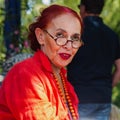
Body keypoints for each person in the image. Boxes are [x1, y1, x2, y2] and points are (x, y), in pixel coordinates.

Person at [0, 4, 83, 120]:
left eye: (75, 38)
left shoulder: (62, 80)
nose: (68, 46)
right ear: (40, 36)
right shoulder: (25, 74)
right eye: (60, 35)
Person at [67, 0, 120, 120]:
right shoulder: (111, 35)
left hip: (77, 96)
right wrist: (107, 87)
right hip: (102, 97)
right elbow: (119, 68)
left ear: (84, 8)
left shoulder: (75, 35)